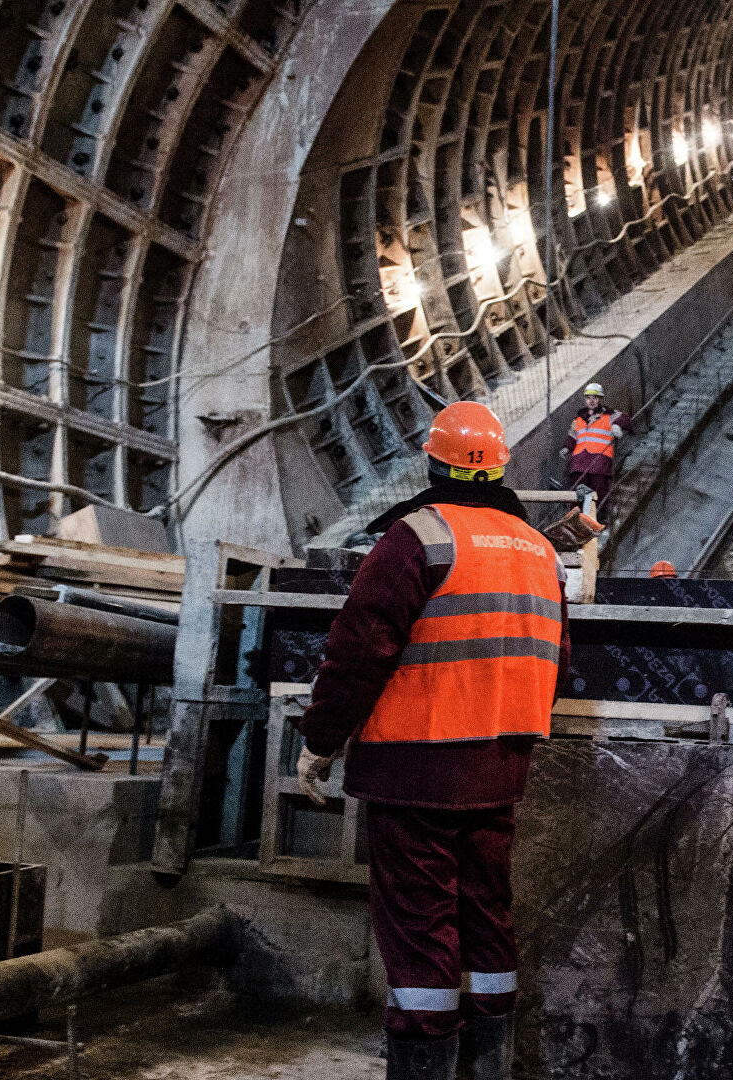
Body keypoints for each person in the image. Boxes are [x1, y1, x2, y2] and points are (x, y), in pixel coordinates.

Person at [294, 400, 568, 1080]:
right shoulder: (540, 550)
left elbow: (358, 651)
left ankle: (422, 1067)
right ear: (501, 466)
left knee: (420, 932)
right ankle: (487, 1067)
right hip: (500, 765)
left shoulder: (418, 537)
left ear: (433, 461)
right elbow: (556, 659)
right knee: (486, 916)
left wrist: (319, 740)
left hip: (415, 764)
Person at [559, 382, 632, 518]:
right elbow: (572, 436)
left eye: (595, 397)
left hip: (599, 461)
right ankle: (576, 521)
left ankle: (599, 520)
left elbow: (626, 420)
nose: (591, 400)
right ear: (585, 399)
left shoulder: (608, 415)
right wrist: (566, 448)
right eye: (589, 397)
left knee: (599, 493)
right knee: (576, 494)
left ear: (600, 399)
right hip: (579, 462)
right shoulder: (578, 418)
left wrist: (616, 426)